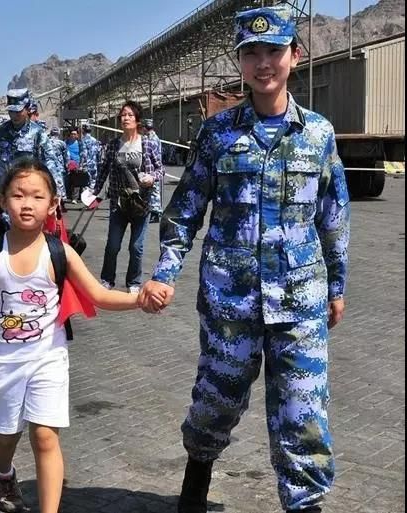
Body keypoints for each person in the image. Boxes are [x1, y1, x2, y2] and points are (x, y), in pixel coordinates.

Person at [139, 5, 351, 513]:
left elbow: (334, 215)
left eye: (273, 50)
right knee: (215, 403)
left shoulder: (318, 134)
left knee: (304, 415)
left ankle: (306, 504)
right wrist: (165, 272)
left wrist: (337, 286)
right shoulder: (218, 134)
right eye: (250, 53)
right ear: (239, 62)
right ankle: (195, 483)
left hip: (299, 304)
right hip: (230, 304)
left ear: (295, 55)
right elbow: (185, 211)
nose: (263, 63)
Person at [0, 156, 140, 513]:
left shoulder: (60, 252)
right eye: (18, 195)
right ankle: (4, 472)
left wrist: (140, 299)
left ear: (52, 204)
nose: (27, 203)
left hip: (49, 357)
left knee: (45, 436)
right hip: (3, 361)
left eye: (37, 196)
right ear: (2, 201)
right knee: (6, 436)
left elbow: (99, 295)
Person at [92, 101, 163, 294]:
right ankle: (107, 280)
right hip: (119, 203)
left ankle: (133, 282)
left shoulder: (148, 143)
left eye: (130, 115)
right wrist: (94, 192)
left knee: (136, 247)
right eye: (123, 115)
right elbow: (104, 170)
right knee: (112, 245)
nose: (126, 118)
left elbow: (160, 170)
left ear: (137, 120)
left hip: (141, 203)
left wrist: (152, 177)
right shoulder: (114, 145)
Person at [0, 89, 63, 200]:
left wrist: (57, 191)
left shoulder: (37, 133)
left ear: (27, 109)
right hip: (4, 192)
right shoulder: (0, 132)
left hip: (28, 191)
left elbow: (49, 161)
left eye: (18, 111)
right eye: (11, 111)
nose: (14, 115)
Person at [143, 119, 164, 223]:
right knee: (153, 191)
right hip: (155, 166)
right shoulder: (154, 137)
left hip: (153, 167)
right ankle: (153, 212)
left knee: (154, 191)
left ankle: (155, 213)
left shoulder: (151, 139)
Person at [80, 121, 101, 189]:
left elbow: (84, 153)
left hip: (87, 164)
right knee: (94, 182)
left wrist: (81, 164)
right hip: (94, 163)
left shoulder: (83, 140)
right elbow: (98, 152)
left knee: (86, 183)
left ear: (83, 130)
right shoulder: (94, 140)